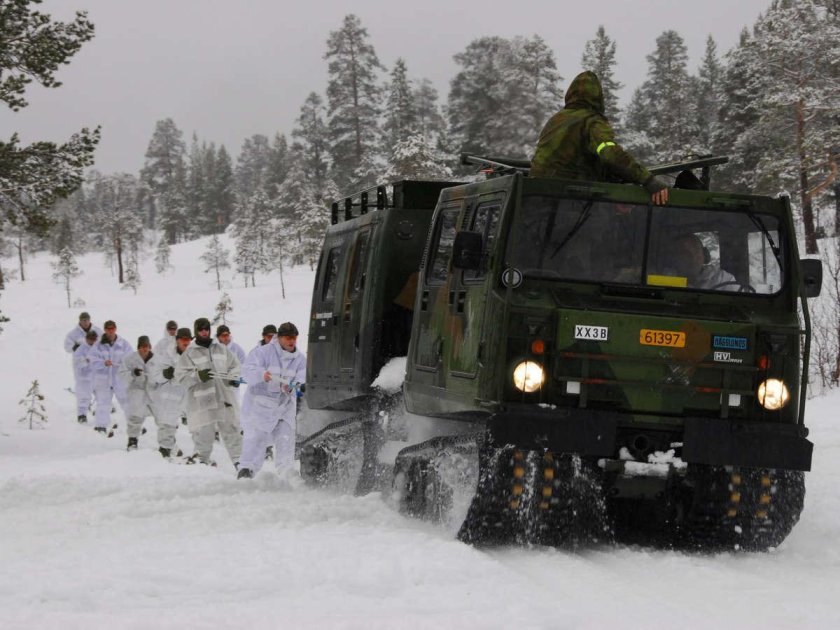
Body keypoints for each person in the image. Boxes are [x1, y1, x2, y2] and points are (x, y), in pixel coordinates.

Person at [530, 71, 670, 206]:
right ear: (598, 98)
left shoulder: (555, 120)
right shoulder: (591, 121)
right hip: (570, 201)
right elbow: (610, 153)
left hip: (536, 197)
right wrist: (648, 180)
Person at [238, 322, 306, 481]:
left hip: (284, 407)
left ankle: (287, 474)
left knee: (286, 439)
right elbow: (247, 371)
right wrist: (262, 375)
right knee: (256, 439)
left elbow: (301, 379)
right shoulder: (262, 353)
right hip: (260, 407)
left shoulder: (300, 359)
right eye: (288, 337)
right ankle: (246, 472)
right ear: (280, 338)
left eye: (294, 337)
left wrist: (293, 387)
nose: (292, 341)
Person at [175, 317, 242, 466]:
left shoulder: (221, 348)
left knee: (232, 430)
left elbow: (235, 365)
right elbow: (180, 376)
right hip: (203, 401)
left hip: (224, 398)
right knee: (203, 434)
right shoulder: (189, 353)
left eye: (206, 329)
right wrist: (197, 375)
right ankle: (201, 463)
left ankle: (240, 464)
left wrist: (233, 377)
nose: (204, 332)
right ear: (196, 331)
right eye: (201, 330)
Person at [150, 327, 193, 458]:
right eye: (183, 339)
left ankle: (201, 455)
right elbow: (155, 375)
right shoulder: (166, 355)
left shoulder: (196, 354)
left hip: (188, 393)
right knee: (168, 421)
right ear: (177, 340)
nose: (186, 342)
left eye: (189, 339)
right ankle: (165, 450)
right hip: (171, 393)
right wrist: (165, 374)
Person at [117, 336, 162, 451]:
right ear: (138, 347)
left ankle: (168, 444)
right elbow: (121, 374)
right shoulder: (130, 359)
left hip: (154, 391)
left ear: (150, 347)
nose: (144, 349)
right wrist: (132, 374)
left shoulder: (157, 359)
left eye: (146, 346)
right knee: (135, 416)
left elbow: (163, 375)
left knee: (162, 417)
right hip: (137, 390)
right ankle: (132, 440)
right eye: (142, 347)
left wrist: (158, 381)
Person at [89, 320, 132, 435]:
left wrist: (123, 365)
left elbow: (131, 358)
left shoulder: (123, 344)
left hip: (119, 379)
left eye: (112, 328)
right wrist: (103, 363)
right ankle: (101, 426)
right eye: (108, 328)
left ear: (115, 329)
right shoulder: (98, 345)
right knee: (103, 402)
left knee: (126, 401)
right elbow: (92, 360)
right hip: (103, 379)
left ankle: (133, 425)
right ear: (105, 330)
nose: (110, 330)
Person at [667, 234, 739, 290]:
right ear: (674, 259)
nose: (692, 257)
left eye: (696, 250)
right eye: (684, 253)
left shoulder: (722, 279)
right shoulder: (668, 279)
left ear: (704, 254)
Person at [72, 329, 99, 423]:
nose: (92, 340)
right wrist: (86, 361)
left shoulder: (98, 348)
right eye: (90, 338)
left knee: (102, 396)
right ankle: (81, 415)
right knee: (84, 397)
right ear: (86, 338)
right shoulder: (80, 349)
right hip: (84, 378)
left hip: (96, 377)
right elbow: (77, 363)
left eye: (94, 339)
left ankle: (101, 414)